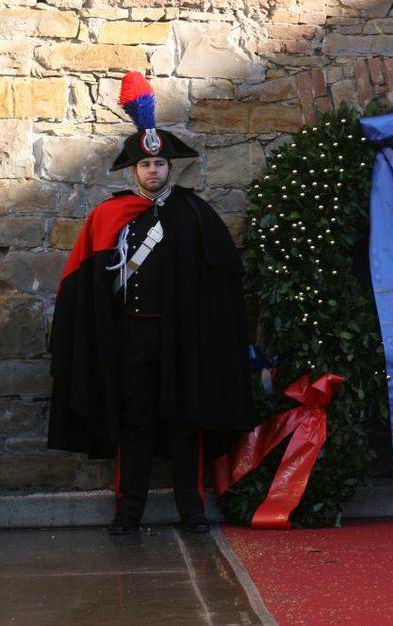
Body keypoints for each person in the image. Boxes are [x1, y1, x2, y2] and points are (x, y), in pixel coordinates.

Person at [48, 72, 256, 534]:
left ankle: (192, 511)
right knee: (135, 423)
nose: (153, 171)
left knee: (185, 423)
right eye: (145, 165)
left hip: (182, 337)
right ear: (134, 170)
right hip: (130, 337)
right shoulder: (110, 216)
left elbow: (221, 285)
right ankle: (128, 514)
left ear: (170, 167)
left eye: (160, 164)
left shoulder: (195, 214)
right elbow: (84, 283)